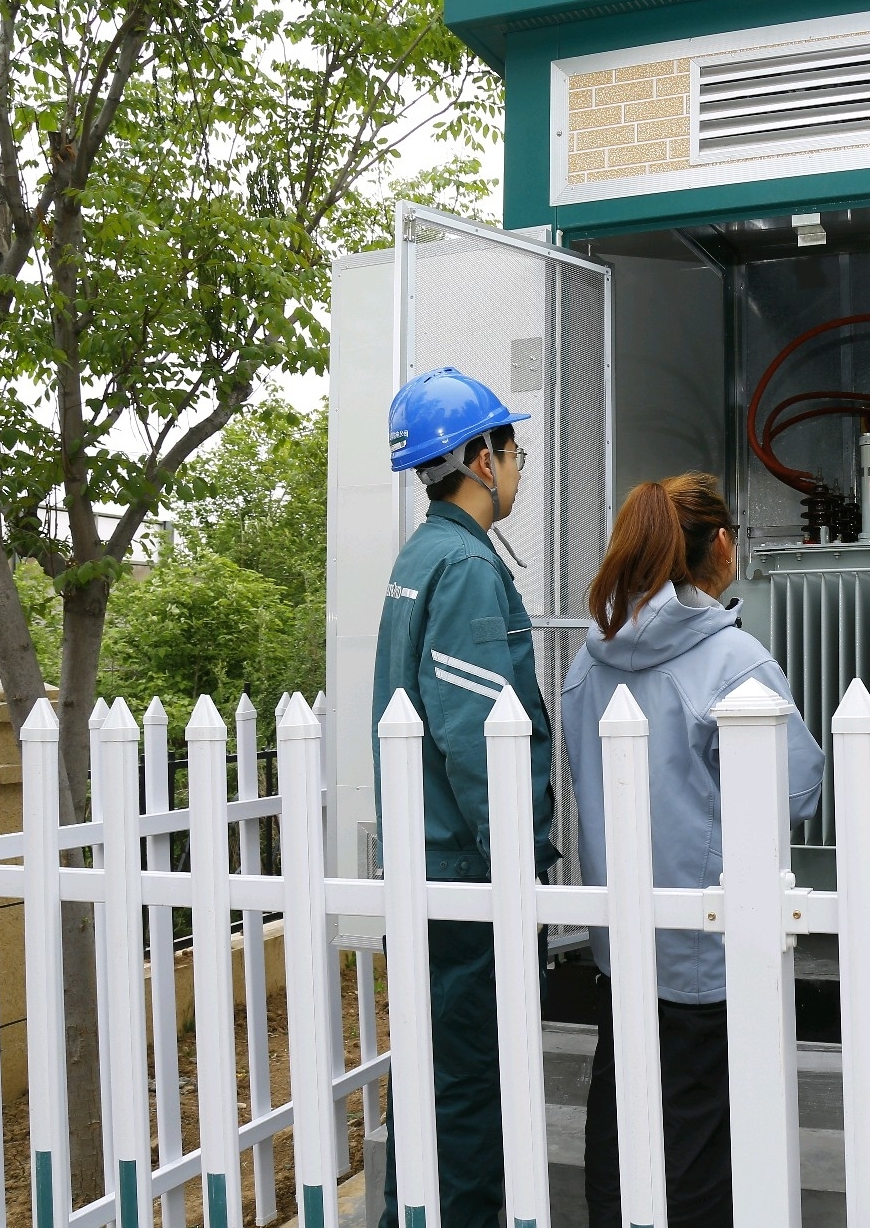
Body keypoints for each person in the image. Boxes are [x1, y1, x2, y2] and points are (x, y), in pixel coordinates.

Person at [562, 473, 824, 1228]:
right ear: (721, 545)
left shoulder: (588, 660)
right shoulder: (734, 660)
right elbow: (797, 793)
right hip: (707, 955)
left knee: (620, 1127)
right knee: (702, 1149)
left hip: (621, 948)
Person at [373, 366, 559, 1228]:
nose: (517, 467)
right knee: (472, 1088)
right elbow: (480, 737)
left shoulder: (420, 556)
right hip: (467, 878)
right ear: (482, 458)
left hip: (425, 865)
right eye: (512, 451)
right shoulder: (466, 567)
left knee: (432, 1077)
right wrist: (518, 868)